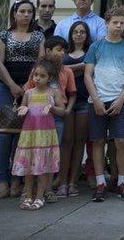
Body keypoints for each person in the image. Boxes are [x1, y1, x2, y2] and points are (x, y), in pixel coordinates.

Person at [0, 0, 46, 199]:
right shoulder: (4, 35)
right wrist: (12, 85)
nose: (26, 15)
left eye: (29, 12)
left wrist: (28, 86)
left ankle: (17, 177)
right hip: (8, 88)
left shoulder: (38, 36)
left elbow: (40, 62)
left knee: (23, 135)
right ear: (14, 13)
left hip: (31, 88)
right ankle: (2, 179)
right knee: (6, 133)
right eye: (22, 11)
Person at [83, 7, 124, 202]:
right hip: (97, 101)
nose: (119, 26)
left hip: (119, 100)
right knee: (97, 141)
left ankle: (122, 181)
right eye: (115, 22)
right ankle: (100, 182)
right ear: (106, 23)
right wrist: (96, 99)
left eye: (122, 23)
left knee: (121, 141)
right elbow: (88, 74)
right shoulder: (96, 47)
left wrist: (122, 99)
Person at [25, 37, 77, 200]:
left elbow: (72, 93)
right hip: (36, 119)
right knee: (34, 152)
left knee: (51, 152)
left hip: (57, 117)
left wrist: (67, 109)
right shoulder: (37, 70)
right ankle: (29, 190)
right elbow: (28, 89)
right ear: (48, 51)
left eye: (64, 50)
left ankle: (47, 189)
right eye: (59, 49)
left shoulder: (66, 71)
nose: (63, 53)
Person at [12, 60, 63, 211]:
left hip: (45, 136)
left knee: (41, 168)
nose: (38, 78)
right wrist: (22, 109)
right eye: (36, 75)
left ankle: (40, 196)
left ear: (50, 77)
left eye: (42, 75)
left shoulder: (53, 92)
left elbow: (63, 110)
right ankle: (28, 195)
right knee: (28, 168)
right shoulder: (28, 93)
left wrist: (52, 108)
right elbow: (24, 106)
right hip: (30, 135)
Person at [56, 21, 91, 197]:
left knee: (79, 142)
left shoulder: (91, 52)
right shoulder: (64, 53)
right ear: (70, 34)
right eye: (75, 32)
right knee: (66, 141)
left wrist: (69, 69)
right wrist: (80, 67)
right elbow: (57, 70)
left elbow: (91, 70)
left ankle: (73, 182)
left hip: (84, 100)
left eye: (82, 32)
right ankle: (62, 181)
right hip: (66, 101)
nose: (79, 34)